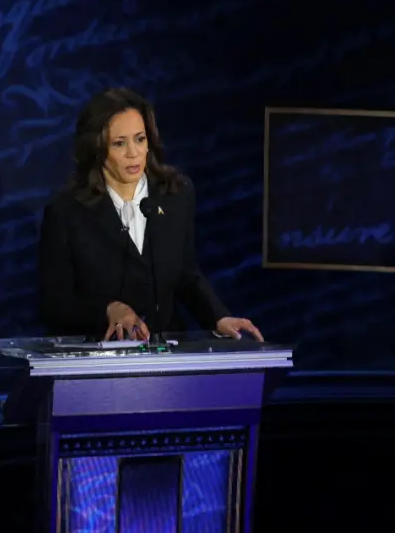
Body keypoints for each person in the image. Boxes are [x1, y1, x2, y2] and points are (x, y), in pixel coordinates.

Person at [37, 87, 264, 342]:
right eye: (119, 143)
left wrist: (218, 318)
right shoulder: (67, 211)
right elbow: (54, 304)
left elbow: (186, 274)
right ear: (97, 149)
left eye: (140, 139)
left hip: (165, 353)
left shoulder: (176, 195)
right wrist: (107, 310)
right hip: (99, 359)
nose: (133, 153)